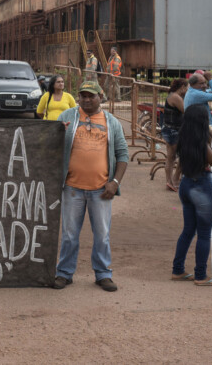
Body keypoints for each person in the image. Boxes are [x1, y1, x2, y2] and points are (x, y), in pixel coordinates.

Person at [53, 81, 128, 292]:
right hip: (72, 188)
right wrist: (57, 133)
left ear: (101, 96)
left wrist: (115, 182)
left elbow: (122, 154)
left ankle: (103, 274)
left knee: (102, 234)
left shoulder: (111, 122)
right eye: (82, 95)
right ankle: (64, 273)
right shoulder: (67, 117)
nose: (86, 99)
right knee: (69, 234)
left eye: (91, 96)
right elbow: (48, 144)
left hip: (101, 190)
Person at [171, 105, 212, 286]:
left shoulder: (183, 139)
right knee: (204, 234)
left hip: (186, 185)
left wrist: (176, 176)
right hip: (201, 185)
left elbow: (180, 163)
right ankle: (201, 275)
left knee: (188, 231)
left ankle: (178, 270)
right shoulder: (202, 144)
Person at [161, 78, 188, 192]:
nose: (187, 90)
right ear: (182, 87)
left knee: (171, 157)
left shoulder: (172, 95)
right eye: (186, 87)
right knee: (181, 155)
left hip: (169, 129)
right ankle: (174, 180)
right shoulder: (176, 97)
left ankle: (170, 182)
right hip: (174, 131)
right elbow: (185, 110)